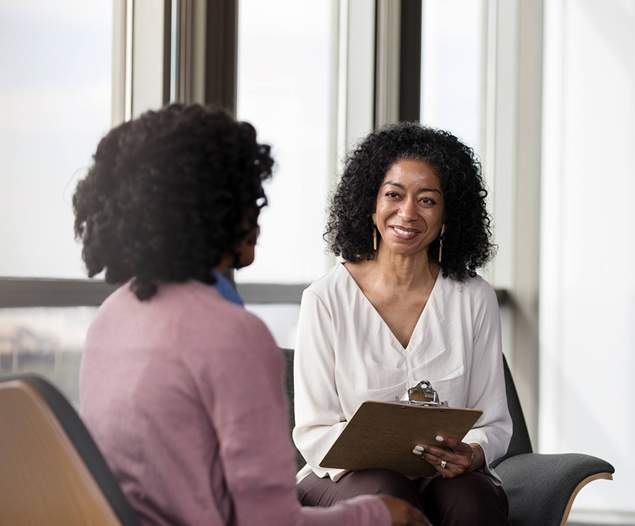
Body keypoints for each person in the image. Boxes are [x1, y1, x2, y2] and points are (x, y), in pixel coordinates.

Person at [73, 104, 427, 526]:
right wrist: (383, 515)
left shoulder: (112, 318)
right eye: (248, 195)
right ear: (215, 209)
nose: (259, 209)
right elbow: (270, 522)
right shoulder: (232, 336)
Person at [293, 122, 513, 526]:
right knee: (386, 492)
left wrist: (473, 452)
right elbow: (312, 429)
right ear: (371, 203)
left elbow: (494, 421)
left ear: (449, 212)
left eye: (427, 200)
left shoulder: (474, 299)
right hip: (344, 480)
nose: (408, 213)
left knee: (472, 498)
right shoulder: (325, 299)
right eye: (393, 195)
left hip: (442, 476)